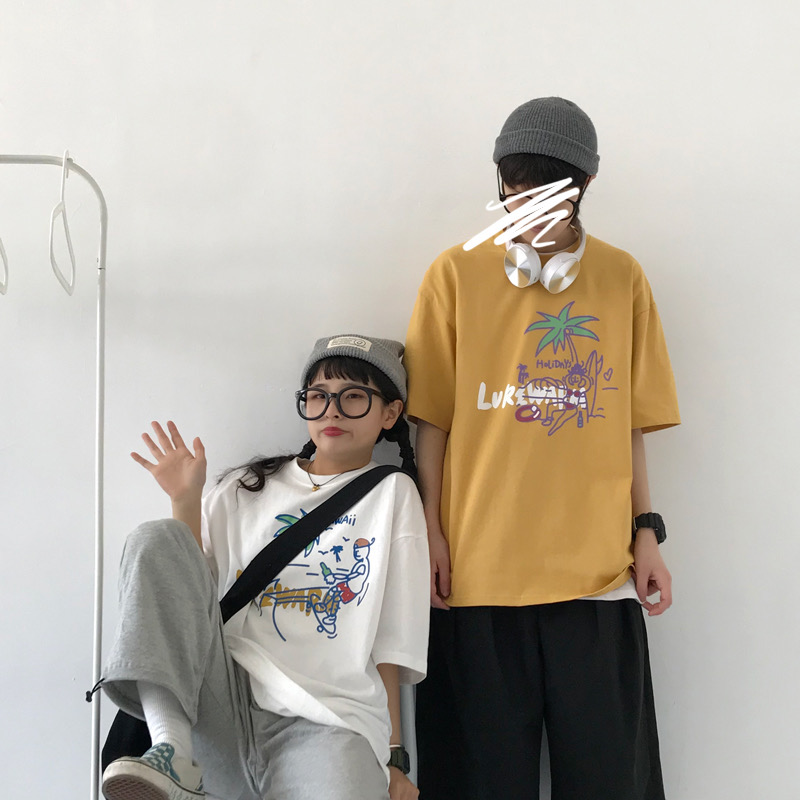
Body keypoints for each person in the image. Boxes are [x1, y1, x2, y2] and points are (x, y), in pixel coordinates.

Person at [404, 97, 680, 800]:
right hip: (476, 578)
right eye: (513, 190)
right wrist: (430, 530)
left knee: (612, 784)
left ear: (584, 187)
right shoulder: (453, 275)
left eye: (546, 195)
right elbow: (431, 421)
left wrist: (646, 530)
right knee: (477, 784)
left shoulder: (622, 278)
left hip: (598, 577)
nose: (524, 209)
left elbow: (628, 423)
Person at [100, 335, 429, 800]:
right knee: (155, 538)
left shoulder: (393, 493)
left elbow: (392, 638)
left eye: (354, 396)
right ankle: (171, 749)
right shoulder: (247, 486)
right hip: (221, 700)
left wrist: (395, 758)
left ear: (390, 413)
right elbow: (185, 596)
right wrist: (185, 501)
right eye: (318, 396)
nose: (332, 412)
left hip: (329, 719)